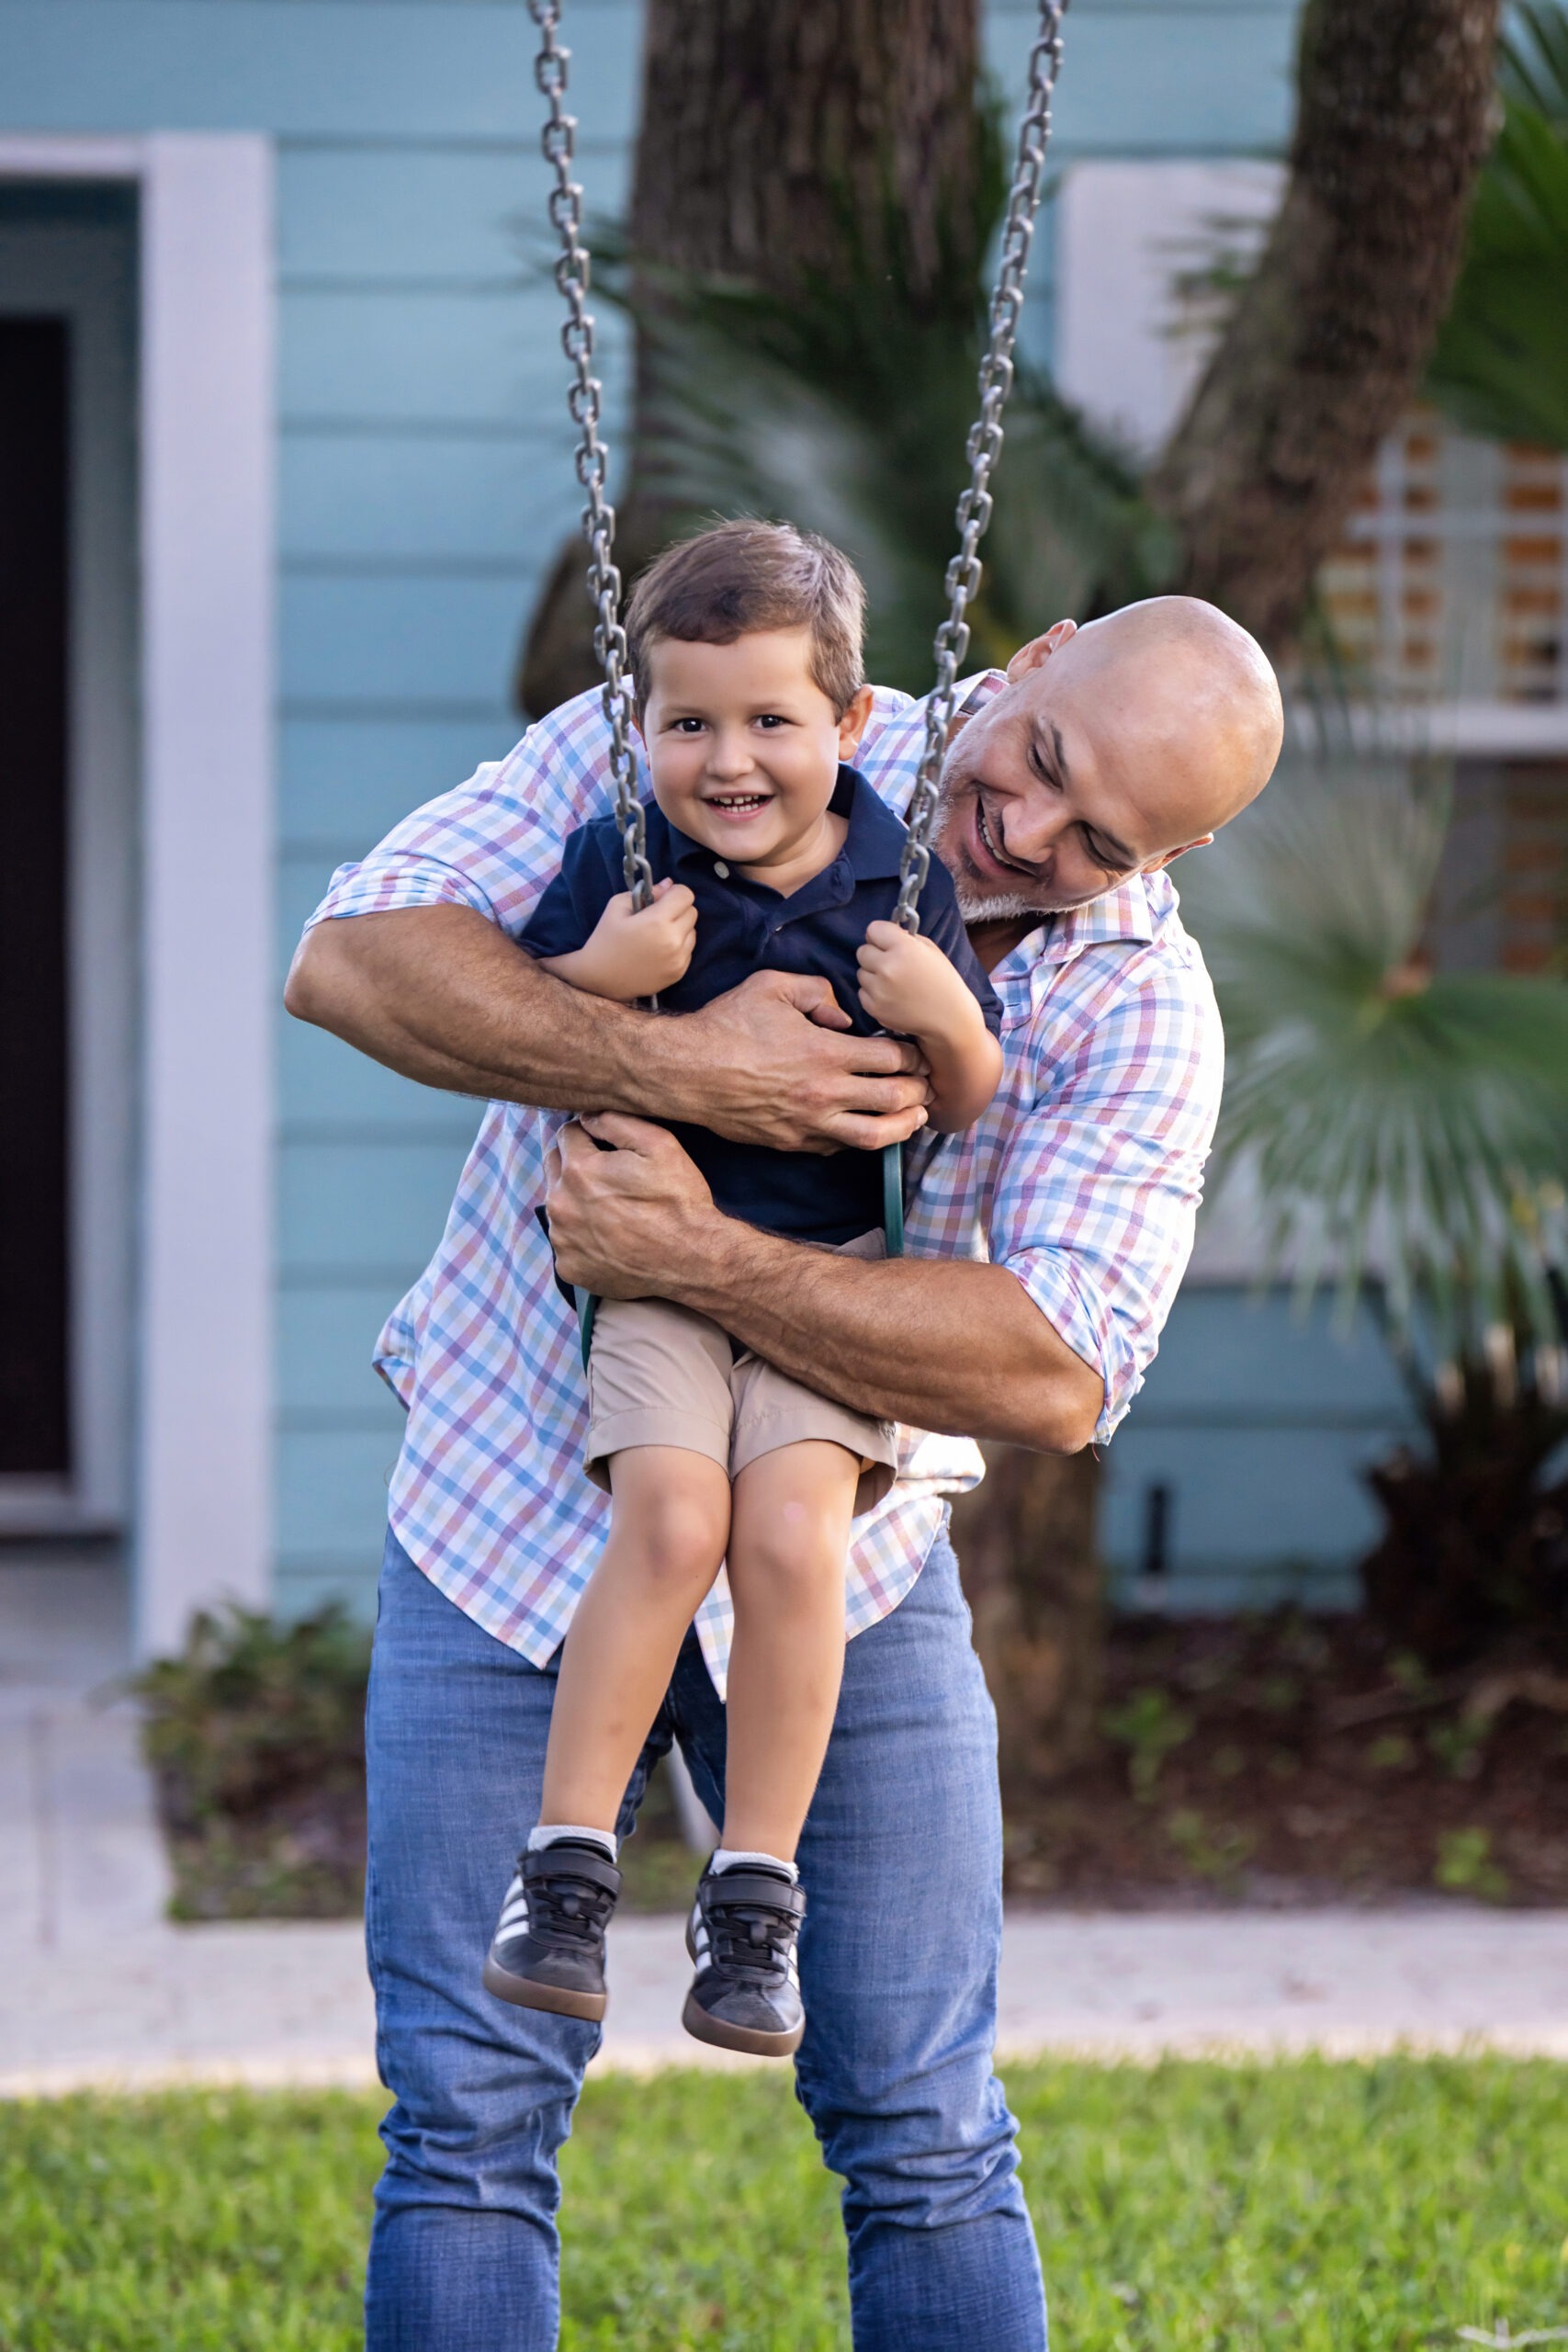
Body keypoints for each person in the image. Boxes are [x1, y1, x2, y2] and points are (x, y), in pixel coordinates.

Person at [286, 587, 1283, 2352]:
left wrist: (696, 1248)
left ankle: (748, 1909)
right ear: (1034, 650)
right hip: (508, 1514)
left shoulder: (1139, 1002)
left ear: (1174, 852)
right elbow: (353, 957)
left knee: (925, 2130)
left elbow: (1057, 1368)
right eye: (1039, 761)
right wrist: (683, 1067)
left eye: (1101, 836)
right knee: (467, 2125)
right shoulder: (741, 723)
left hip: (839, 1558)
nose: (1030, 831)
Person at [486, 523, 1003, 2056]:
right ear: (640, 725)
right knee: (672, 1518)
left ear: (849, 725)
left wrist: (943, 1016)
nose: (729, 758)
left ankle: (754, 1896)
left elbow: (961, 1098)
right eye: (687, 721)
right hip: (652, 1284)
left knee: (789, 1538)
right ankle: (567, 1872)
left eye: (771, 719)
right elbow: (527, 1026)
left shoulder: (896, 878)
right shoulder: (620, 866)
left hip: (828, 1276)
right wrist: (604, 979)